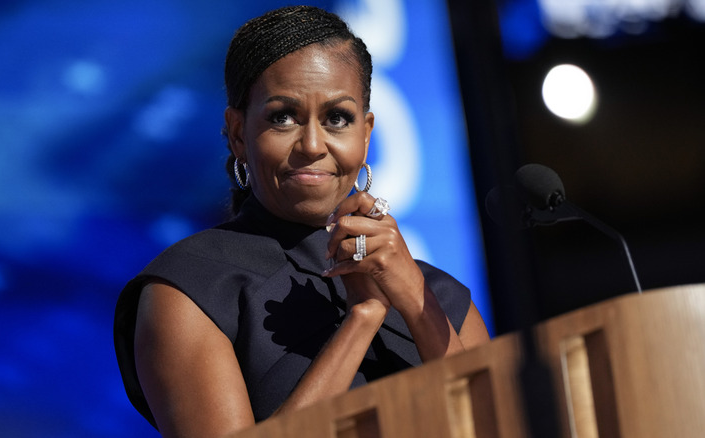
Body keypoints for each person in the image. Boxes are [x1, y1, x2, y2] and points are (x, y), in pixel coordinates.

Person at [114, 5, 490, 438]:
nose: (312, 144)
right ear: (238, 133)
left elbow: (497, 423)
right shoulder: (192, 289)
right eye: (283, 117)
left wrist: (415, 302)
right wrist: (361, 319)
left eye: (337, 118)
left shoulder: (441, 295)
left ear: (365, 134)